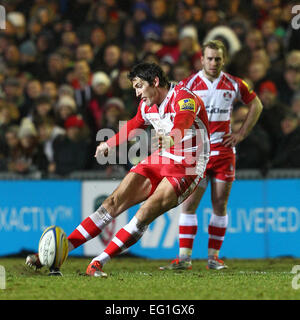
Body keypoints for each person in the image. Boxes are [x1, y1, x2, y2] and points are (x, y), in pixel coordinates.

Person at [26, 62, 210, 277]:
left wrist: (171, 137)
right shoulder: (147, 105)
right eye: (135, 87)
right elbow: (134, 125)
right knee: (111, 203)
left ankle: (98, 262)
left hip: (189, 165)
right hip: (162, 157)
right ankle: (59, 251)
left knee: (143, 213)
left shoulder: (183, 98)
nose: (137, 92)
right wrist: (108, 144)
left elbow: (183, 121)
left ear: (156, 82)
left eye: (139, 86)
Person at [159, 40, 263, 271]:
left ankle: (213, 259)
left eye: (217, 58)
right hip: (197, 152)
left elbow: (256, 104)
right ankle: (184, 258)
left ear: (223, 59)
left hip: (224, 152)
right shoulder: (189, 84)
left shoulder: (234, 84)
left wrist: (241, 133)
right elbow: (171, 109)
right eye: (209, 58)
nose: (213, 62)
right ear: (202, 59)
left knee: (220, 204)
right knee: (188, 205)